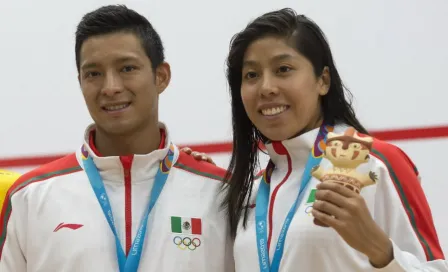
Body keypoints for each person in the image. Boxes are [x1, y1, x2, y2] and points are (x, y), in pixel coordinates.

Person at [0, 5, 233, 272]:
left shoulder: (220, 194)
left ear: (161, 76)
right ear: (80, 82)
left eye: (127, 68)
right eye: (94, 74)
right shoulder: (30, 197)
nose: (110, 87)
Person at [218, 8, 447, 272]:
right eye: (252, 75)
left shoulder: (376, 163)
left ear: (323, 81)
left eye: (283, 69)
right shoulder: (251, 190)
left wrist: (381, 252)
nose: (266, 87)